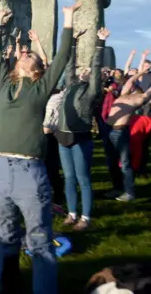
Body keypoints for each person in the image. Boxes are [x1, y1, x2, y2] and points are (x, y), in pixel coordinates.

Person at [0, 3, 80, 294]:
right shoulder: (5, 85)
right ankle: (6, 286)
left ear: (39, 69)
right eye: (23, 54)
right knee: (5, 236)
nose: (25, 53)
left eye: (31, 55)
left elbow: (63, 57)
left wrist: (68, 18)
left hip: (30, 172)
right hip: (0, 169)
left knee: (39, 240)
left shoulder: (41, 89)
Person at [56, 27, 108, 231]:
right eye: (83, 69)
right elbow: (70, 65)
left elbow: (96, 67)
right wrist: (74, 41)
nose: (85, 70)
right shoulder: (71, 85)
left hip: (80, 138)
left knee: (82, 178)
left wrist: (100, 42)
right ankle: (71, 213)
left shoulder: (91, 91)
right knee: (68, 177)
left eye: (88, 71)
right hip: (63, 137)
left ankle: (85, 217)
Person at [106, 68, 151, 202]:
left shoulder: (140, 99)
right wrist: (142, 71)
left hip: (120, 132)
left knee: (125, 164)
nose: (132, 86)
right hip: (110, 130)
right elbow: (130, 80)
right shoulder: (124, 94)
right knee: (112, 163)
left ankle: (130, 193)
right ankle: (118, 188)